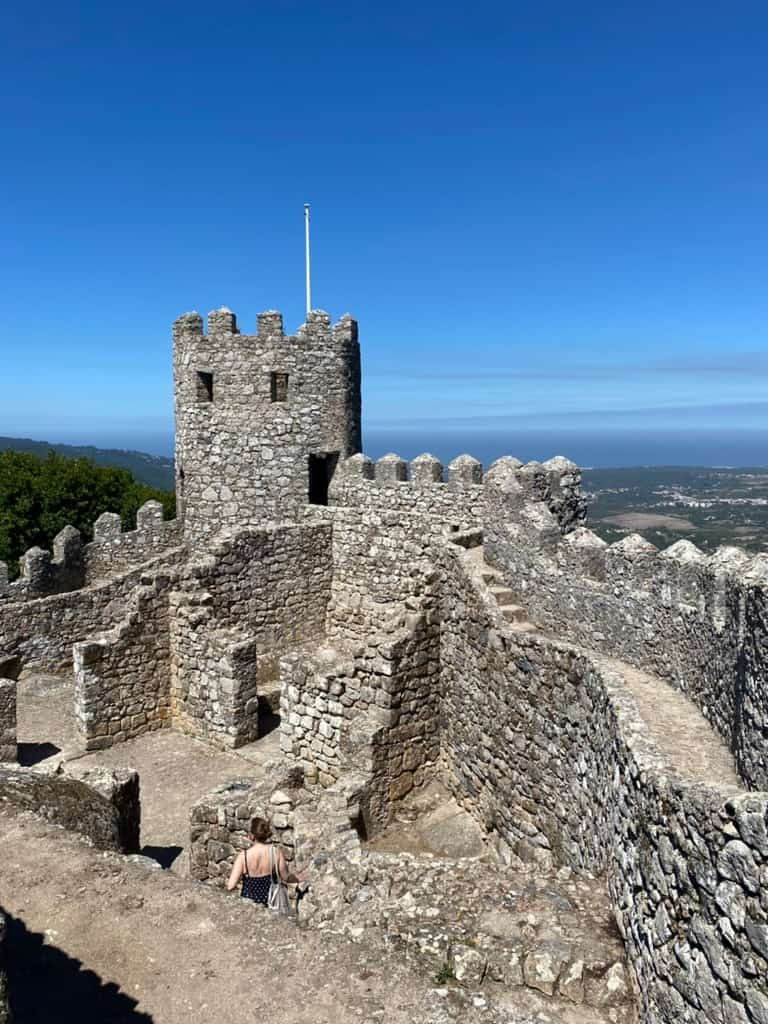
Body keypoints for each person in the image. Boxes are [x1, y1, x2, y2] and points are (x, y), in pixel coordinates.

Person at [226, 816, 305, 906]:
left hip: (249, 905)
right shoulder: (276, 852)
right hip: (271, 903)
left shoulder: (243, 857)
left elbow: (230, 886)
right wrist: (297, 878)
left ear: (251, 836)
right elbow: (286, 877)